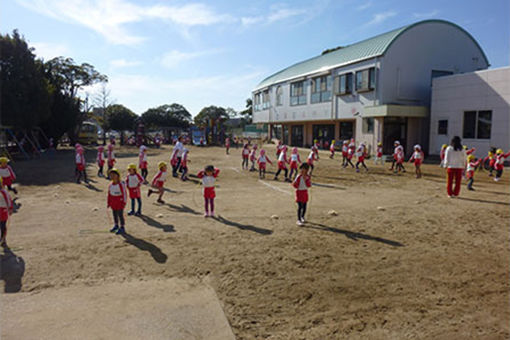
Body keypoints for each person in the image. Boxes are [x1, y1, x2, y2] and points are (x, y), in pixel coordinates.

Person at [107, 168, 127, 235]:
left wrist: (124, 202)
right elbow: (109, 194)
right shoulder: (110, 185)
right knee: (114, 214)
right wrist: (109, 202)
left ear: (117, 175)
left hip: (119, 201)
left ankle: (122, 227)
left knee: (120, 214)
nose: (112, 176)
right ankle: (116, 225)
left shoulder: (121, 184)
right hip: (113, 202)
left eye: (114, 174)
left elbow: (124, 193)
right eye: (111, 175)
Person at [0, 178, 13, 247]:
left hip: (2, 210)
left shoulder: (3, 192)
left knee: (2, 225)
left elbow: (9, 199)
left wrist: (10, 208)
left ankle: (3, 239)